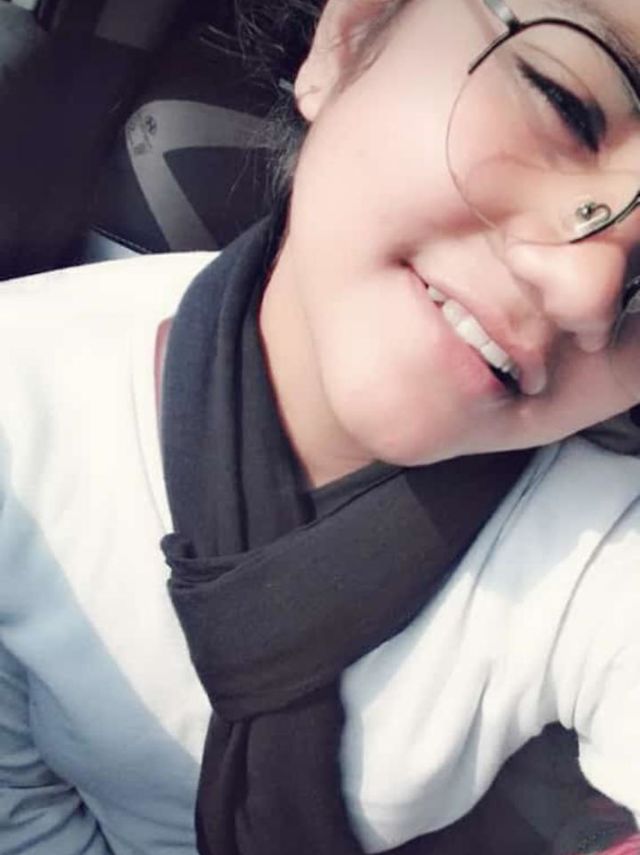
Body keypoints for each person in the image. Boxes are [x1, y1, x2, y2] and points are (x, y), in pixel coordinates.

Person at [1, 1, 640, 855]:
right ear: (348, 37)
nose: (591, 294)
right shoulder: (20, 405)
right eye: (565, 105)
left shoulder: (600, 539)